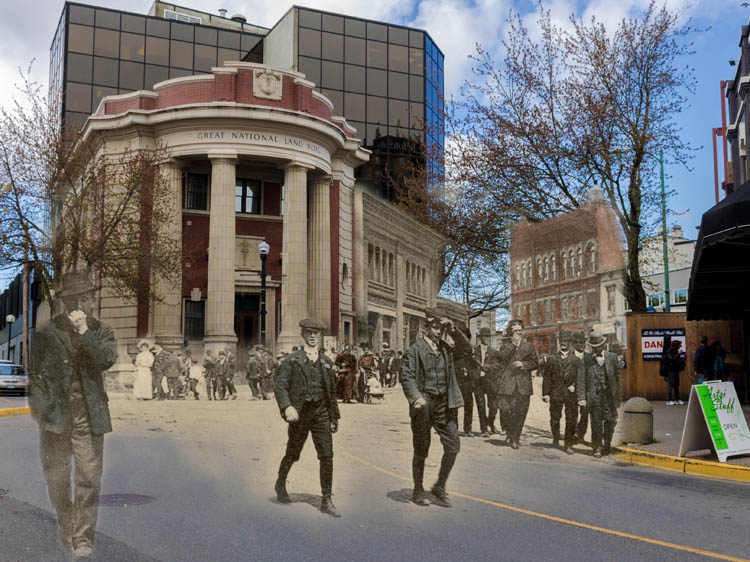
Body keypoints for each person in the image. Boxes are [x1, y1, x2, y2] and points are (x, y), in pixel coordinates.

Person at [29, 270, 117, 560]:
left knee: (88, 478)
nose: (87, 303)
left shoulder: (102, 331)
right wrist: (41, 407)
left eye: (88, 298)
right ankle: (66, 521)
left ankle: (82, 539)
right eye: (80, 299)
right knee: (55, 478)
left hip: (88, 417)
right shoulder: (47, 333)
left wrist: (84, 332)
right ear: (69, 302)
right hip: (56, 418)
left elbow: (105, 360)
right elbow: (36, 374)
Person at [274, 318, 341, 517]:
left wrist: (334, 417)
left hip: (321, 412)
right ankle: (280, 483)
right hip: (300, 414)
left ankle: (326, 499)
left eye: (316, 333)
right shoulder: (292, 360)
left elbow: (331, 392)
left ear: (320, 336)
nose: (313, 337)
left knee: (327, 455)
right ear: (303, 335)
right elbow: (280, 386)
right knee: (293, 453)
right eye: (309, 333)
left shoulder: (326, 362)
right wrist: (287, 407)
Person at [401, 309, 464, 508]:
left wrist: (453, 329)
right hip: (424, 402)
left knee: (453, 444)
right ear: (426, 328)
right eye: (435, 327)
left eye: (442, 328)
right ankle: (418, 489)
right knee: (421, 447)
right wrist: (415, 397)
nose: (438, 332)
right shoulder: (415, 349)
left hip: (445, 403)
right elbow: (407, 376)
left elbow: (466, 349)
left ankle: (439, 485)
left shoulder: (446, 348)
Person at [494, 321, 538, 449]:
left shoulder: (528, 347)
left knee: (521, 412)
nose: (518, 333)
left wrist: (523, 365)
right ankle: (509, 432)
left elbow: (535, 362)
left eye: (520, 331)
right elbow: (501, 359)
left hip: (523, 386)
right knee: (508, 411)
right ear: (510, 333)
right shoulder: (505, 346)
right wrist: (513, 344)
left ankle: (515, 438)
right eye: (515, 331)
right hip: (509, 384)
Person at [540, 330, 583, 454]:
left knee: (571, 419)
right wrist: (546, 394)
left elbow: (579, 377)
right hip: (555, 393)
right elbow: (547, 377)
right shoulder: (552, 358)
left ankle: (568, 444)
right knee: (555, 418)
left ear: (570, 343)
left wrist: (574, 386)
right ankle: (555, 439)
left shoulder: (576, 360)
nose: (563, 343)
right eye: (561, 341)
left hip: (571, 394)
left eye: (566, 341)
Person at [580, 333, 620, 458]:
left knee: (610, 421)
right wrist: (582, 397)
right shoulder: (586, 360)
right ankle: (596, 447)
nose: (596, 348)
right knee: (596, 422)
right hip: (594, 397)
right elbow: (581, 380)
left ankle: (607, 444)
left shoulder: (612, 357)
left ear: (603, 345)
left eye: (598, 346)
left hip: (609, 397)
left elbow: (618, 379)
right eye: (594, 346)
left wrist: (618, 397)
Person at [662, 339, 685, 405]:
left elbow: (676, 360)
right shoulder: (669, 351)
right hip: (670, 371)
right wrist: (678, 354)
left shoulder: (675, 351)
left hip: (675, 371)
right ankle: (668, 400)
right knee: (670, 385)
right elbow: (672, 359)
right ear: (675, 345)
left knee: (676, 385)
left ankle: (677, 399)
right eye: (678, 346)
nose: (679, 347)